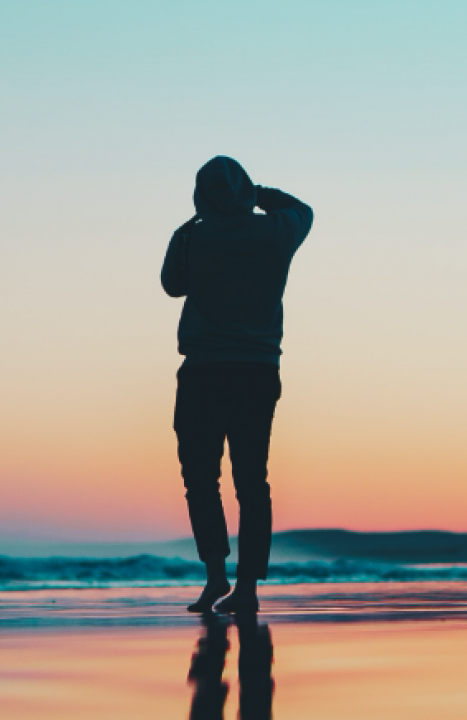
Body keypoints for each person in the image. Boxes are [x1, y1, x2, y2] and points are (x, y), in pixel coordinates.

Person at [161, 156, 313, 613]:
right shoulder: (275, 231)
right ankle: (246, 588)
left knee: (200, 479)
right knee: (251, 481)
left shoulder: (192, 236)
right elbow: (302, 210)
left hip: (203, 369)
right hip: (256, 370)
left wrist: (194, 224)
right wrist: (256, 195)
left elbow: (171, 285)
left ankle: (215, 579)